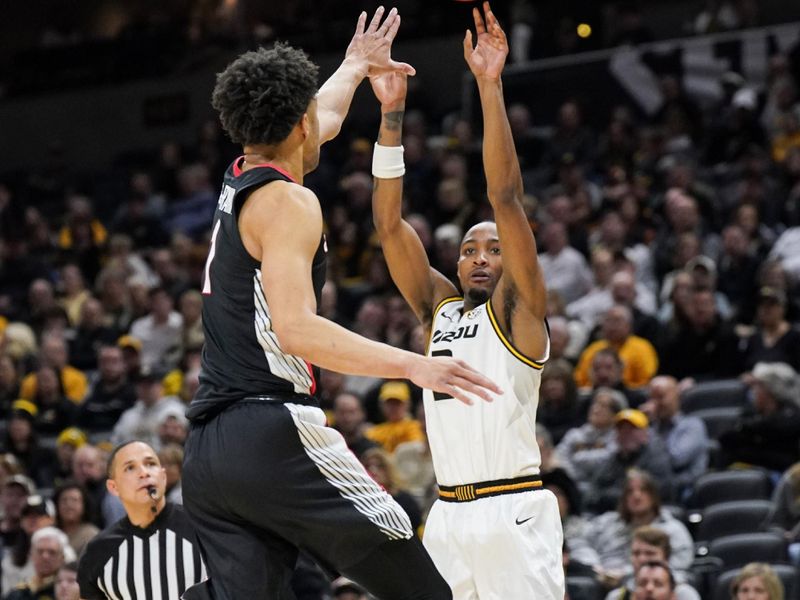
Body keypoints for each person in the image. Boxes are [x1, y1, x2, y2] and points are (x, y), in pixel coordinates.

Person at [181, 8, 499, 599]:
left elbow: (321, 117)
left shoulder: (241, 173)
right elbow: (297, 330)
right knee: (422, 587)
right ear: (297, 124)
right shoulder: (290, 204)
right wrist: (414, 364)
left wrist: (355, 64)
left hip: (207, 455)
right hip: (271, 432)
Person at [368, 3, 563, 597]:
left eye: (493, 250)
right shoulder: (440, 312)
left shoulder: (519, 310)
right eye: (470, 249)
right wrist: (392, 114)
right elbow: (389, 222)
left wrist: (489, 84)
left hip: (513, 510)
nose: (481, 257)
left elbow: (505, 196)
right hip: (448, 516)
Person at [77, 441, 207, 599]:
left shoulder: (204, 529)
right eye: (130, 467)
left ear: (163, 476)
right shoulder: (97, 552)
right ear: (113, 487)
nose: (144, 472)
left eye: (151, 464)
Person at [605, 526, 700, 600]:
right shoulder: (617, 597)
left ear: (666, 557)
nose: (642, 559)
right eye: (636, 553)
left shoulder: (684, 594)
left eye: (649, 553)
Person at [5, 526, 74, 600]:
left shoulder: (67, 592)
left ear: (62, 558)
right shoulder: (17, 594)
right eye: (40, 551)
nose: (45, 557)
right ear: (31, 555)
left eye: (52, 552)